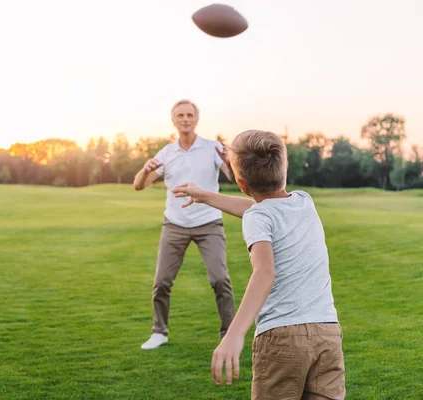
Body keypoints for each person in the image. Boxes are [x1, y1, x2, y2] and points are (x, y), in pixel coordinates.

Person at [172, 129, 345, 399]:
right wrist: (205, 195)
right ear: (285, 166)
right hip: (328, 333)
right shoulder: (304, 202)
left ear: (241, 183)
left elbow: (264, 272)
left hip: (282, 337)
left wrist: (233, 334)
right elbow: (258, 209)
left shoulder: (258, 217)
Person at [133, 99, 236, 350]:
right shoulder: (166, 153)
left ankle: (229, 334)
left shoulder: (213, 148)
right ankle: (159, 332)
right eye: (180, 115)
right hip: (175, 224)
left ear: (197, 119)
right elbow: (138, 185)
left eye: (190, 115)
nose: (185, 119)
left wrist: (231, 161)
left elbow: (235, 177)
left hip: (209, 222)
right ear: (174, 120)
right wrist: (145, 170)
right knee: (162, 282)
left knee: (220, 279)